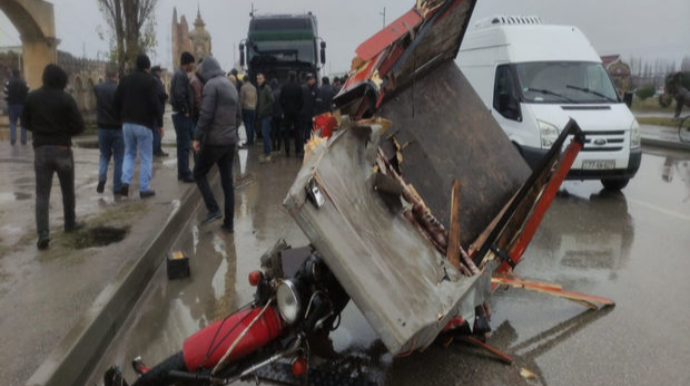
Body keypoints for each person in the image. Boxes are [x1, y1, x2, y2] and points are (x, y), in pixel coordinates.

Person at [21, 64, 84, 250]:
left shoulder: (32, 97)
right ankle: (70, 223)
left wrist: (40, 133)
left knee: (42, 194)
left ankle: (43, 233)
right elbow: (79, 125)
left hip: (41, 149)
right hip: (63, 148)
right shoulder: (66, 99)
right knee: (67, 189)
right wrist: (65, 133)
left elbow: (25, 122)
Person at [191, 57, 241, 233]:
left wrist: (197, 137)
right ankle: (229, 224)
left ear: (206, 71)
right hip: (229, 142)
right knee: (227, 182)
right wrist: (232, 134)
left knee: (198, 173)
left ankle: (213, 208)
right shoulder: (231, 86)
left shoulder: (211, 86)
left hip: (214, 141)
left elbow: (206, 114)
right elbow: (238, 116)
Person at [114, 54, 164, 199]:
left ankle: (125, 181)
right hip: (144, 124)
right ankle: (144, 188)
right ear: (148, 67)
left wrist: (121, 119)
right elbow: (155, 104)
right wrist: (160, 125)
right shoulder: (150, 81)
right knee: (146, 156)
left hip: (127, 124)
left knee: (129, 154)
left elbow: (116, 101)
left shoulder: (125, 80)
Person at [94, 65, 123, 195]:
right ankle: (117, 186)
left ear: (105, 75)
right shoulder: (119, 90)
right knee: (118, 158)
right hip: (117, 128)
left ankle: (101, 178)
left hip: (102, 127)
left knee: (104, 155)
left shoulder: (97, 88)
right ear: (116, 76)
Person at [170, 51, 196, 183]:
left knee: (183, 144)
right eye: (192, 63)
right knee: (184, 144)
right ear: (188, 63)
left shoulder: (179, 74)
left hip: (180, 114)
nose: (193, 65)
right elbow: (180, 95)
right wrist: (185, 109)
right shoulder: (181, 76)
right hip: (181, 115)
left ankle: (183, 172)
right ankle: (185, 173)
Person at [279, 71, 303, 157]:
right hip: (296, 112)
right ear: (295, 77)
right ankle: (297, 151)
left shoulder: (284, 87)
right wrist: (298, 109)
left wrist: (284, 109)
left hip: (287, 112)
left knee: (286, 132)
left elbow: (280, 100)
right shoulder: (298, 87)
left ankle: (287, 151)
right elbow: (301, 101)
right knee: (297, 132)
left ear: (288, 77)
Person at [4, 69, 29, 145]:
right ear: (19, 74)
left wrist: (8, 101)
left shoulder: (8, 83)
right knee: (23, 123)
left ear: (12, 74)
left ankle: (13, 138)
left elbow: (5, 94)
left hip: (12, 105)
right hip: (22, 105)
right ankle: (23, 139)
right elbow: (28, 93)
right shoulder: (24, 82)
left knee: (12, 122)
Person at [256, 73, 274, 163]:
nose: (258, 80)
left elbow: (272, 100)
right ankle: (266, 151)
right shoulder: (261, 89)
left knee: (265, 133)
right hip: (263, 115)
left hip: (266, 115)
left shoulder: (266, 88)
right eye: (257, 79)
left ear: (264, 79)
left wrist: (264, 109)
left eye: (260, 78)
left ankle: (267, 152)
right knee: (264, 133)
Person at [151, 66, 169, 157]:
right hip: (157, 109)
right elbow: (161, 93)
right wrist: (166, 96)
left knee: (154, 130)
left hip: (152, 110)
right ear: (157, 72)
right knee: (157, 130)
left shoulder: (150, 79)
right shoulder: (156, 81)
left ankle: (155, 149)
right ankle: (157, 150)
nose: (161, 73)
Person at [300, 74, 318, 153]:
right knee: (307, 133)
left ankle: (315, 148)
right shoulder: (304, 89)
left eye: (312, 79)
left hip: (315, 115)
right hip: (307, 115)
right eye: (309, 79)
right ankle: (307, 148)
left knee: (315, 132)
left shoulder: (317, 89)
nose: (311, 81)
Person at [239, 75, 257, 147]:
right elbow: (256, 98)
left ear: (244, 80)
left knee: (247, 124)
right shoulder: (254, 87)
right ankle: (252, 139)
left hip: (246, 108)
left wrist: (241, 106)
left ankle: (249, 141)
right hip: (253, 108)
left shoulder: (243, 88)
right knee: (252, 124)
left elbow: (242, 99)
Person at [190, 59, 205, 127]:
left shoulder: (198, 79)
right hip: (197, 115)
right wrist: (203, 113)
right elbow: (198, 99)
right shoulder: (196, 81)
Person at [270, 78, 283, 154]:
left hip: (273, 114)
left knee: (273, 131)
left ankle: (273, 147)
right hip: (280, 114)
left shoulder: (271, 92)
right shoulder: (281, 92)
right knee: (279, 131)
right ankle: (279, 147)